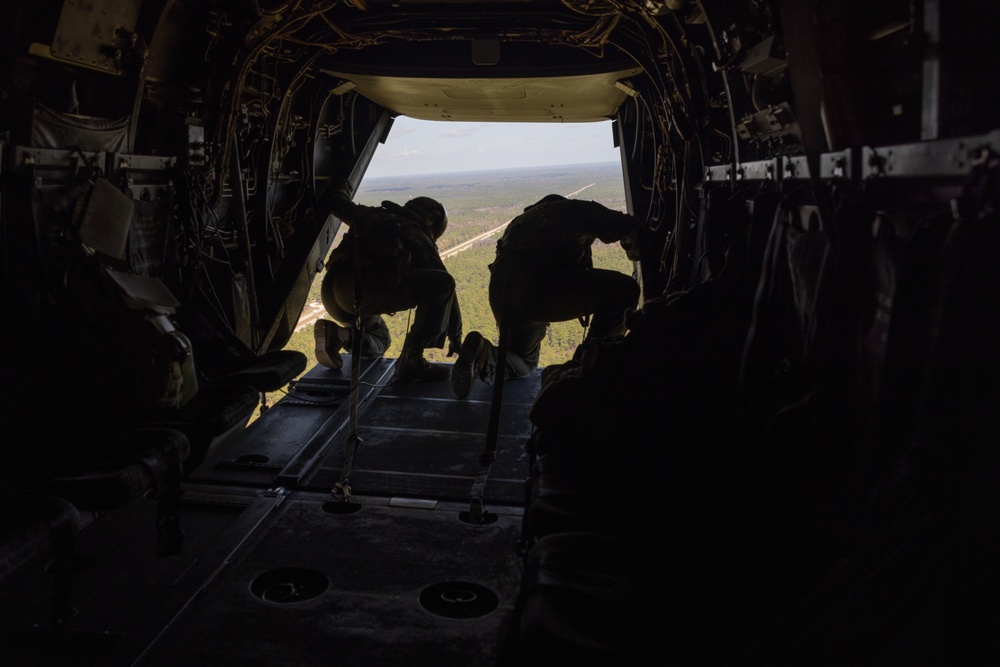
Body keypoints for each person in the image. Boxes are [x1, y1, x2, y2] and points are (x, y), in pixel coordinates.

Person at [451, 194, 641, 399]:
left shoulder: (520, 222)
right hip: (539, 285)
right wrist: (635, 250)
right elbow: (626, 226)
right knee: (626, 290)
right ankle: (588, 369)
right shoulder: (573, 209)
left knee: (523, 361)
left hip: (500, 288)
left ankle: (483, 352)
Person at [314, 187, 463, 382]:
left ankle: (341, 336)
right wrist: (455, 336)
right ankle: (412, 359)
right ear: (430, 222)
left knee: (381, 339)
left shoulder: (372, 214)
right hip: (365, 294)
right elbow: (445, 287)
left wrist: (341, 185)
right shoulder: (417, 234)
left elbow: (337, 202)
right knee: (443, 283)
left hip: (333, 295)